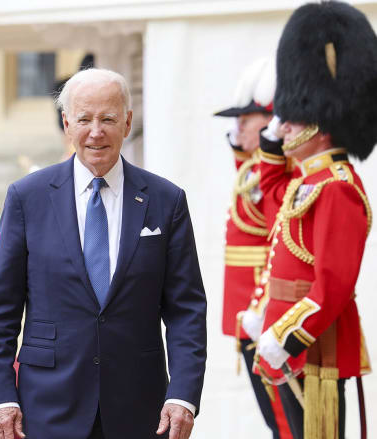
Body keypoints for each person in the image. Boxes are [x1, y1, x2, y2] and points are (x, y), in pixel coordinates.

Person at [0, 68, 207, 439]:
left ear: (128, 122)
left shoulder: (166, 201)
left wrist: (183, 394)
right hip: (48, 406)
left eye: (108, 119)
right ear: (67, 123)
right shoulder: (27, 198)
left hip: (140, 407)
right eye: (84, 119)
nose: (96, 132)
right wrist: (2, 397)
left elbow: (186, 310)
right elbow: (1, 310)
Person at [253, 2, 377, 438]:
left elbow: (333, 284)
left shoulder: (337, 186)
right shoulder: (311, 179)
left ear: (319, 123)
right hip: (289, 339)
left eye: (292, 118)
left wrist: (288, 335)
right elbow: (268, 203)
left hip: (314, 344)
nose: (284, 126)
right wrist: (269, 146)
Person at [213, 58, 292, 439]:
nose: (237, 126)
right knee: (273, 415)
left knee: (282, 417)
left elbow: (282, 236)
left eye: (246, 119)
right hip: (246, 303)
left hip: (262, 303)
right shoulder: (254, 168)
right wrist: (244, 145)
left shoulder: (273, 170)